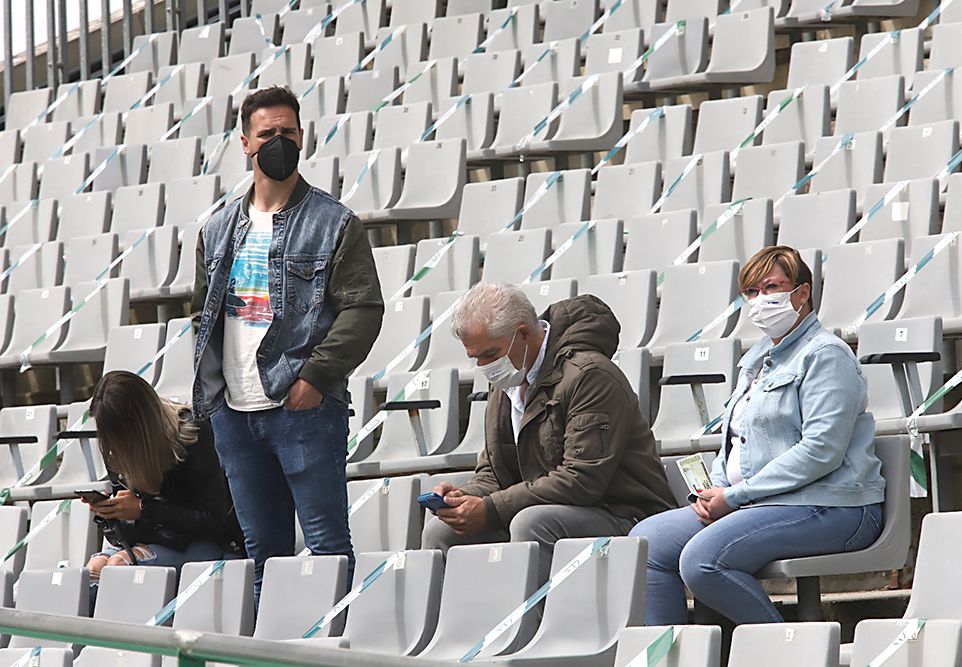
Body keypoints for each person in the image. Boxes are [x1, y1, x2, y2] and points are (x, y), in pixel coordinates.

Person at [191, 86, 384, 601]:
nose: (280, 142)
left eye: (288, 133)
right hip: (233, 413)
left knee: (327, 550)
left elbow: (363, 311)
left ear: (303, 137)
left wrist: (314, 378)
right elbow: (202, 313)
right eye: (267, 134)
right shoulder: (215, 230)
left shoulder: (335, 223)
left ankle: (332, 651)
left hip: (302, 409)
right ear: (245, 144)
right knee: (262, 557)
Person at [632, 246, 886, 626]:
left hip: (833, 505)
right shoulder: (756, 360)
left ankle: (787, 652)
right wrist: (714, 492)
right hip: (759, 502)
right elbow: (734, 441)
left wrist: (734, 497)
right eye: (751, 292)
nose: (760, 300)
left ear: (802, 293)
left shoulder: (826, 355)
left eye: (771, 287)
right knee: (647, 542)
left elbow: (821, 452)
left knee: (702, 560)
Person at [422, 282, 673, 576]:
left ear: (524, 333)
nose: (483, 366)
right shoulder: (507, 381)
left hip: (622, 512)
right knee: (441, 531)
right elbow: (494, 471)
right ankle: (469, 622)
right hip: (546, 506)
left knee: (532, 523)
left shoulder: (590, 376)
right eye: (475, 357)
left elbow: (582, 479)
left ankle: (534, 622)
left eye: (490, 354)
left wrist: (491, 509)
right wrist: (463, 499)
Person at [84, 371, 245, 585]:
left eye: (115, 434)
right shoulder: (116, 450)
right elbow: (125, 536)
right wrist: (111, 515)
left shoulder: (193, 436)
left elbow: (216, 522)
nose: (110, 444)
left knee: (119, 567)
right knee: (93, 572)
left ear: (137, 426)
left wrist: (144, 509)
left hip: (204, 542)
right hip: (153, 538)